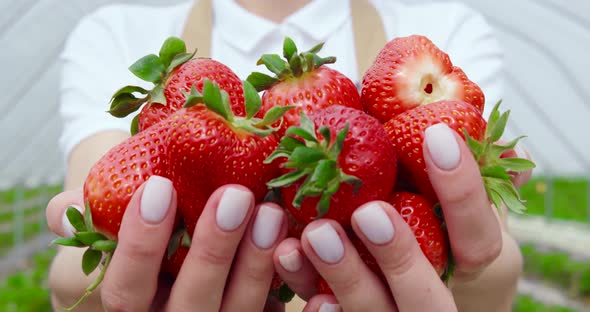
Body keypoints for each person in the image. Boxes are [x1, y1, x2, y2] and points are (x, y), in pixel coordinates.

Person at [46, 0, 532, 311]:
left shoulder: (444, 19)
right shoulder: (115, 29)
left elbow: (499, 251)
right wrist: (114, 253)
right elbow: (84, 235)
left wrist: (469, 274)